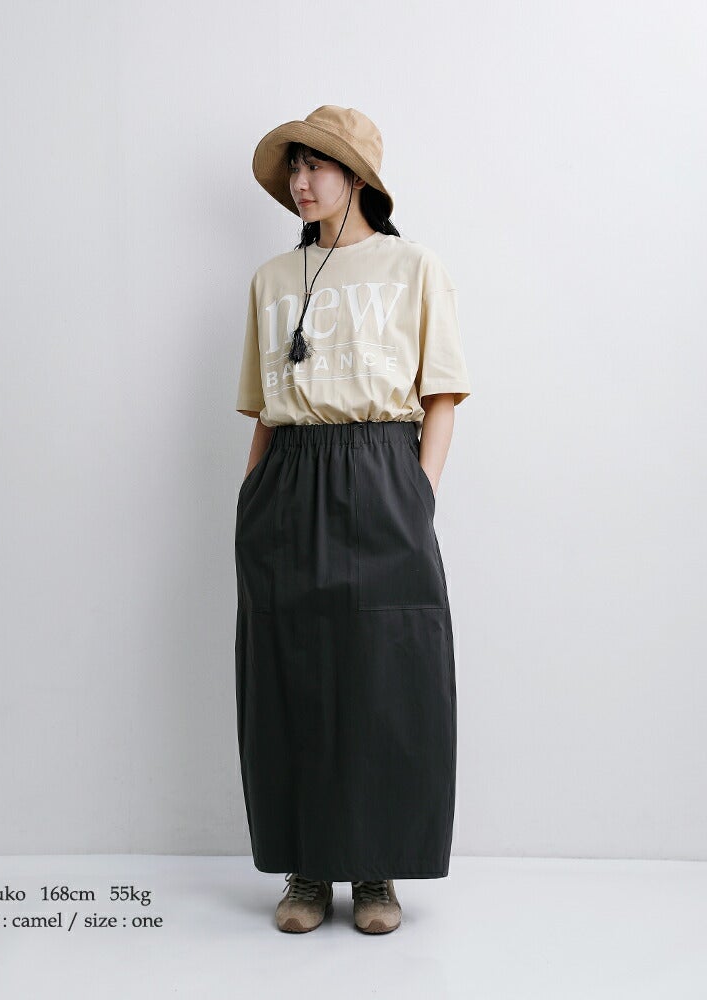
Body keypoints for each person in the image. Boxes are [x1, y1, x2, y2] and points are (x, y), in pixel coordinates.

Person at [234, 106, 472, 934]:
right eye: (294, 167)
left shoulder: (413, 267)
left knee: (385, 675)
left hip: (382, 470)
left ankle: (375, 871)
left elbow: (441, 395)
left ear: (359, 177)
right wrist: (251, 501)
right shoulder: (272, 279)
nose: (300, 182)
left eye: (317, 166)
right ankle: (306, 870)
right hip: (289, 476)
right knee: (290, 671)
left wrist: (418, 496)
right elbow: (264, 409)